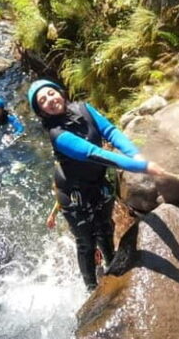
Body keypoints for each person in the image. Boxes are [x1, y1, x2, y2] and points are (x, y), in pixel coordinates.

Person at [28, 79, 168, 291]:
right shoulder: (57, 134)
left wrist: (136, 154)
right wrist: (142, 166)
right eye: (43, 101)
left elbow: (110, 132)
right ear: (41, 111)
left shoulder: (84, 108)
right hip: (73, 195)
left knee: (106, 228)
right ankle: (91, 288)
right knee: (86, 242)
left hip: (99, 184)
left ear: (60, 92)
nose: (50, 99)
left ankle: (112, 266)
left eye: (50, 93)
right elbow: (94, 154)